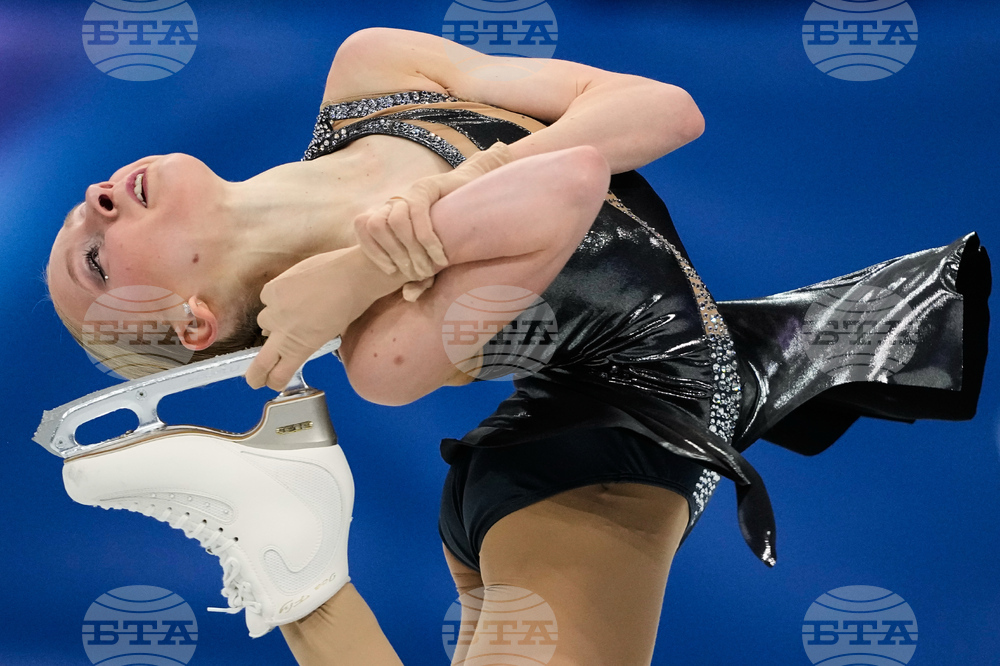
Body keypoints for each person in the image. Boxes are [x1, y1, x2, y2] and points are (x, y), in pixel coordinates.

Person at [45, 27, 990, 666]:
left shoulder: (369, 75)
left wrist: (387, 246)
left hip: (556, 473)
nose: (92, 200)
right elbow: (573, 175)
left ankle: (293, 569)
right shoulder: (381, 347)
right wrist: (365, 273)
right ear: (194, 323)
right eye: (94, 259)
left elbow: (662, 110)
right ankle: (298, 573)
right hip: (607, 467)